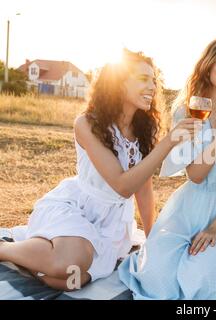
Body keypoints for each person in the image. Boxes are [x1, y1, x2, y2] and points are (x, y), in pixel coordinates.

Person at [0, 49, 198, 291]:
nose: (153, 87)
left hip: (113, 223)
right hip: (78, 207)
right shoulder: (86, 124)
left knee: (71, 279)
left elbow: (143, 189)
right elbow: (122, 185)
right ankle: (5, 249)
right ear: (118, 83)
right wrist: (169, 142)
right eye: (143, 79)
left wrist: (151, 237)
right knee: (68, 265)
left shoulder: (143, 129)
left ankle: (44, 257)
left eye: (154, 80)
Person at [118, 37, 216, 299]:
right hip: (188, 207)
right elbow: (196, 176)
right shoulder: (188, 110)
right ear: (207, 65)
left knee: (200, 284)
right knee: (157, 280)